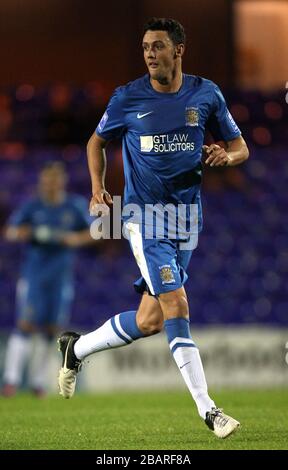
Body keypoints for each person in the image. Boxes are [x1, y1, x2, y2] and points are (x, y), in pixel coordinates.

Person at [58, 18, 249, 438]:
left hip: (187, 219)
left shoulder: (206, 94)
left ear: (179, 50)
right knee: (176, 306)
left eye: (158, 46)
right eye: (146, 46)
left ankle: (78, 347)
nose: (149, 53)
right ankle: (209, 410)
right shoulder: (128, 98)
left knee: (150, 320)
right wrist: (97, 189)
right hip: (144, 219)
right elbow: (96, 141)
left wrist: (225, 157)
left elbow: (241, 147)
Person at [2, 161, 92, 396]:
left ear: (62, 182)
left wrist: (74, 239)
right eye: (47, 180)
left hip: (60, 279)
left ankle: (37, 383)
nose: (51, 184)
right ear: (42, 182)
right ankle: (10, 381)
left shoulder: (74, 206)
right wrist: (24, 232)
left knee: (52, 330)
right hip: (34, 277)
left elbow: (95, 232)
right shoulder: (32, 207)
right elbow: (10, 231)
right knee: (25, 325)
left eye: (55, 180)